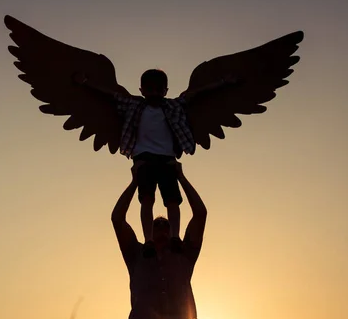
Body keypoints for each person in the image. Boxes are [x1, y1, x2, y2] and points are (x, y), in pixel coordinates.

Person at [75, 69, 233, 257]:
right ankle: (148, 239)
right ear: (142, 90)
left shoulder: (173, 106)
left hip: (167, 158)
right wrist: (85, 83)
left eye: (159, 90)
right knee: (146, 199)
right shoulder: (134, 105)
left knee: (173, 200)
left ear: (166, 91)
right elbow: (111, 96)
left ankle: (175, 236)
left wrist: (223, 82)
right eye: (150, 90)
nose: (154, 94)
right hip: (144, 157)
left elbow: (196, 94)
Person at [110, 160, 207, 319]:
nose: (162, 229)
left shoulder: (184, 254)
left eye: (166, 226)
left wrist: (180, 177)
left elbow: (200, 213)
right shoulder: (137, 254)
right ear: (149, 232)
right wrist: (135, 182)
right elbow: (117, 218)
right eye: (157, 225)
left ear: (173, 229)